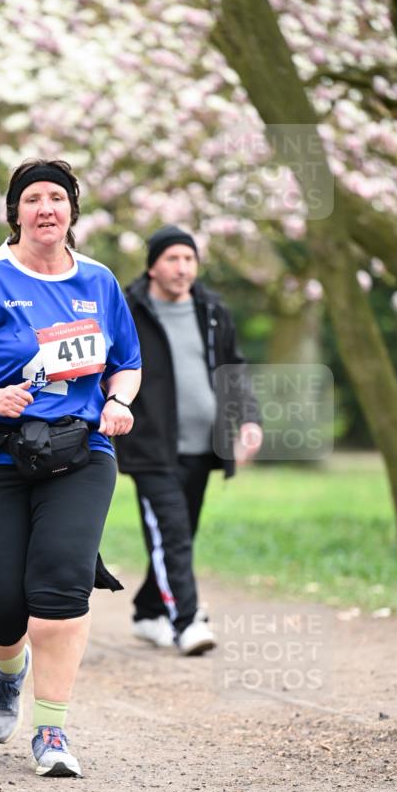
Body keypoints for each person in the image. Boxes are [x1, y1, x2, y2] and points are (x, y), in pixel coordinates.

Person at [0, 158, 141, 778]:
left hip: (80, 450)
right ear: (14, 211)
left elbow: (126, 360)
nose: (46, 209)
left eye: (57, 198)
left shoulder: (99, 281)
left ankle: (52, 731)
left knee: (60, 586)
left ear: (72, 210)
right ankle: (9, 671)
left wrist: (119, 400)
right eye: (33, 199)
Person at [115, 225, 263, 655]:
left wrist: (248, 419)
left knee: (180, 533)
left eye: (189, 260)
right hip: (150, 446)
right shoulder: (129, 310)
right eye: (172, 259)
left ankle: (147, 612)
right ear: (152, 266)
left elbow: (234, 369)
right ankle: (187, 619)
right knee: (173, 532)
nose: (182, 268)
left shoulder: (212, 309)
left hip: (202, 447)